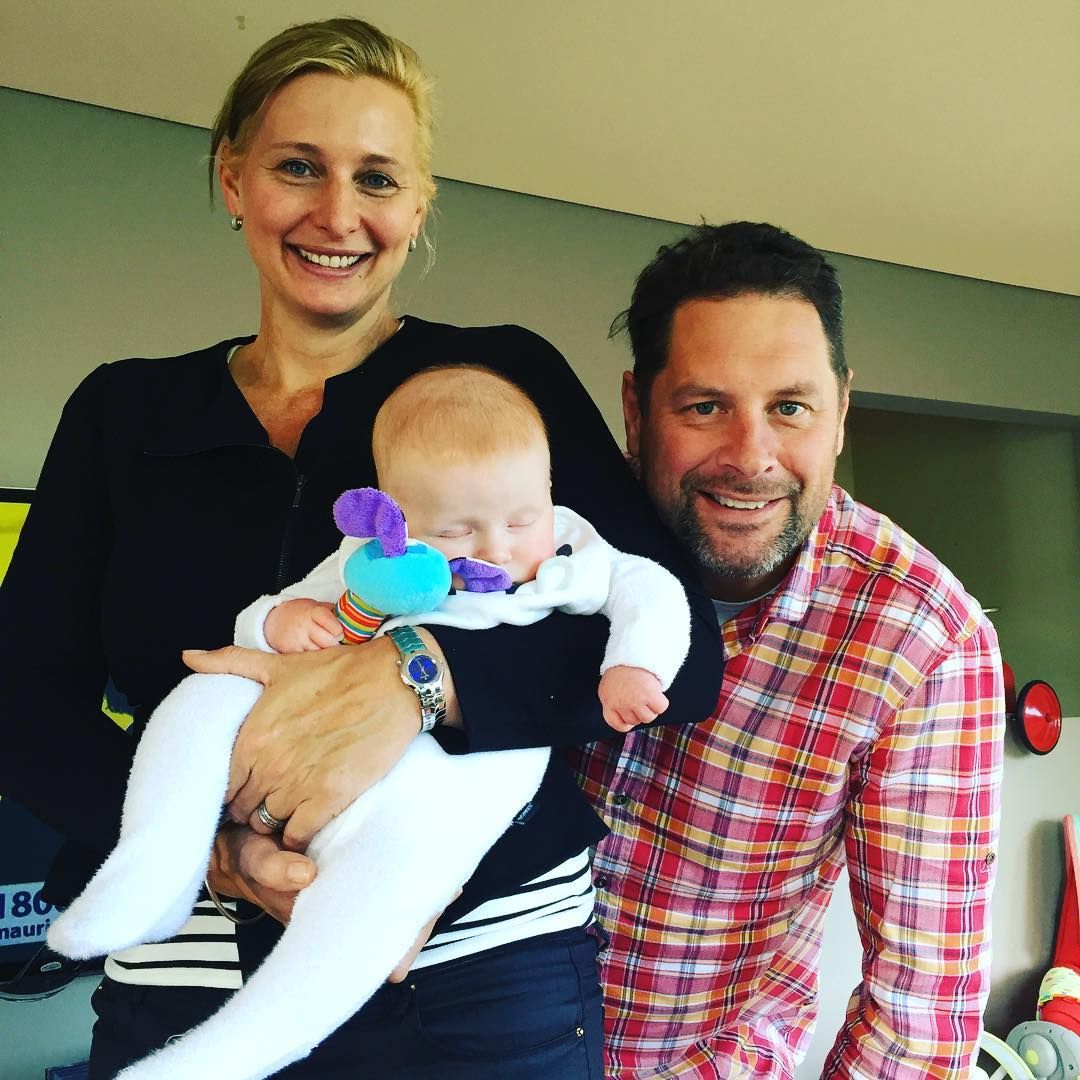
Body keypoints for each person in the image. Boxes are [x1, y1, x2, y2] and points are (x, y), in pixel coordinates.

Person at [0, 18, 721, 1079]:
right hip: (182, 967)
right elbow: (22, 698)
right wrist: (219, 854)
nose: (337, 214)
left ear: (418, 206)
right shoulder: (125, 414)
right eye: (298, 167)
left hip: (476, 975)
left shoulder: (498, 386)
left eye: (377, 178)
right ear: (233, 178)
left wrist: (420, 675)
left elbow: (676, 649)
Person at [48, 367, 691, 1078]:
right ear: (395, 515)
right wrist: (284, 621)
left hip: (461, 765)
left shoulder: (572, 552)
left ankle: (252, 1038)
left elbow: (653, 591)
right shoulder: (370, 557)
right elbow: (268, 615)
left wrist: (635, 666)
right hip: (283, 745)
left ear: (547, 492)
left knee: (401, 863)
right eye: (456, 530)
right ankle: (153, 867)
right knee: (204, 692)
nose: (498, 549)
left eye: (520, 520)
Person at [573, 220, 1005, 1078]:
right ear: (636, 411)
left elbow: (918, 1021)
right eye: (705, 407)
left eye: (790, 408)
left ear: (841, 412)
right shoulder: (542, 532)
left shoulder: (923, 639)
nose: (751, 457)